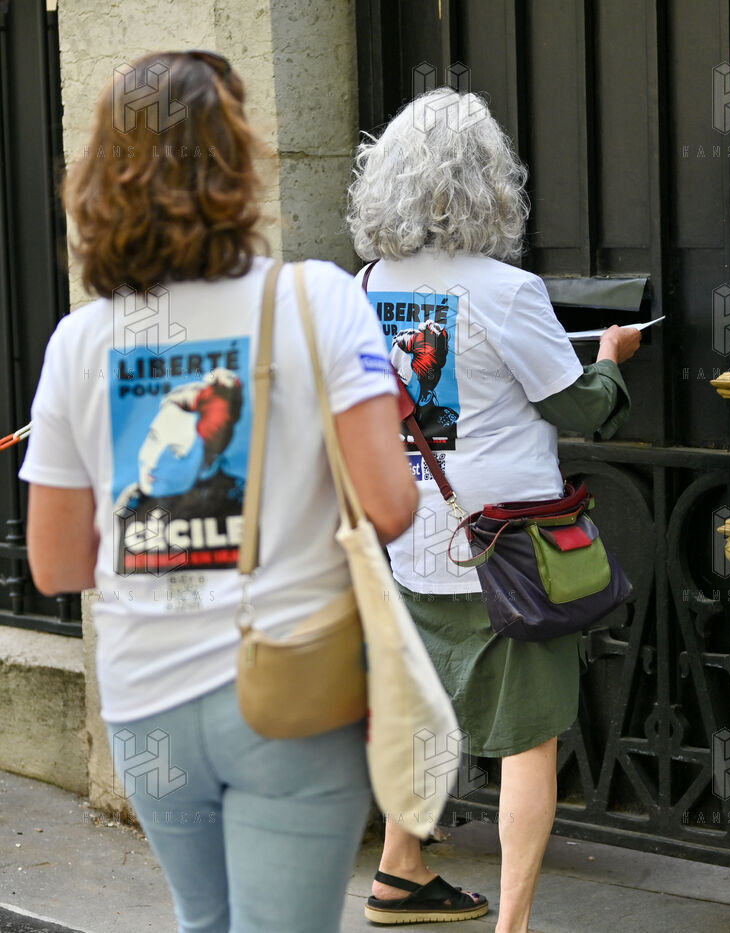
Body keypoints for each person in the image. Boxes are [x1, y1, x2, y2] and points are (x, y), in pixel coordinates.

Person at [21, 51, 418, 933]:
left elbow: (54, 564)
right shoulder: (317, 300)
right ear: (238, 162)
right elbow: (391, 506)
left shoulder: (80, 342)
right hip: (292, 688)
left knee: (204, 922)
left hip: (145, 703)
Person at [346, 88, 639, 931]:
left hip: (409, 534)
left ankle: (401, 869)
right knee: (527, 737)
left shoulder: (365, 283)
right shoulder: (508, 290)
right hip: (506, 545)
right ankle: (512, 924)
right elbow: (581, 407)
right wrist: (613, 357)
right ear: (488, 183)